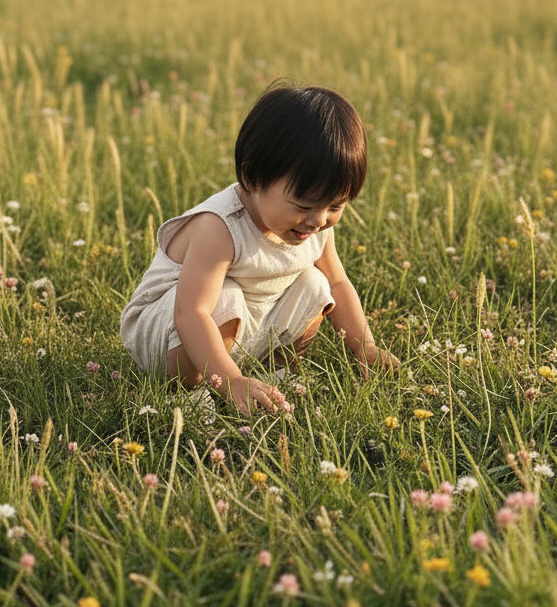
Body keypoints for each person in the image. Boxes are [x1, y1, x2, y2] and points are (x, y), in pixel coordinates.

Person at [120, 83, 399, 415]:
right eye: (304, 205)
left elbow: (338, 283)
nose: (318, 220)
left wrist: (365, 347)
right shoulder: (220, 227)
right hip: (168, 333)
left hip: (245, 324)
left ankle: (271, 375)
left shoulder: (315, 225)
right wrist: (230, 380)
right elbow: (190, 313)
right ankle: (196, 388)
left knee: (316, 284)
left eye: (335, 206)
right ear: (252, 178)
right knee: (224, 297)